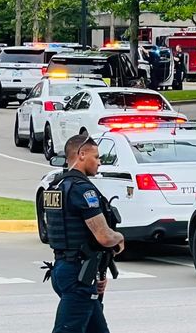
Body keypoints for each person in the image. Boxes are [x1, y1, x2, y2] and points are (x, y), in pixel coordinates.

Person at [43, 133, 125, 333]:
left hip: (66, 269)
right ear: (81, 155)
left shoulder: (56, 186)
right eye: (96, 157)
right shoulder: (82, 189)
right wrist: (120, 238)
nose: (99, 162)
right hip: (78, 276)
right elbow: (104, 236)